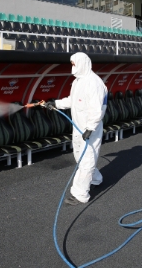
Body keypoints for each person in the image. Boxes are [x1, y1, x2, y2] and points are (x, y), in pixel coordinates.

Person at [45, 52, 107, 205]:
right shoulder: (78, 82)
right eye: (71, 64)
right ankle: (96, 178)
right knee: (80, 157)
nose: (72, 67)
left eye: (74, 64)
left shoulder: (95, 83)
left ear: (83, 63)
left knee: (87, 160)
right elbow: (73, 100)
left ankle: (80, 194)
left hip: (89, 129)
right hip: (78, 127)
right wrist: (56, 104)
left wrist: (90, 128)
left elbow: (97, 109)